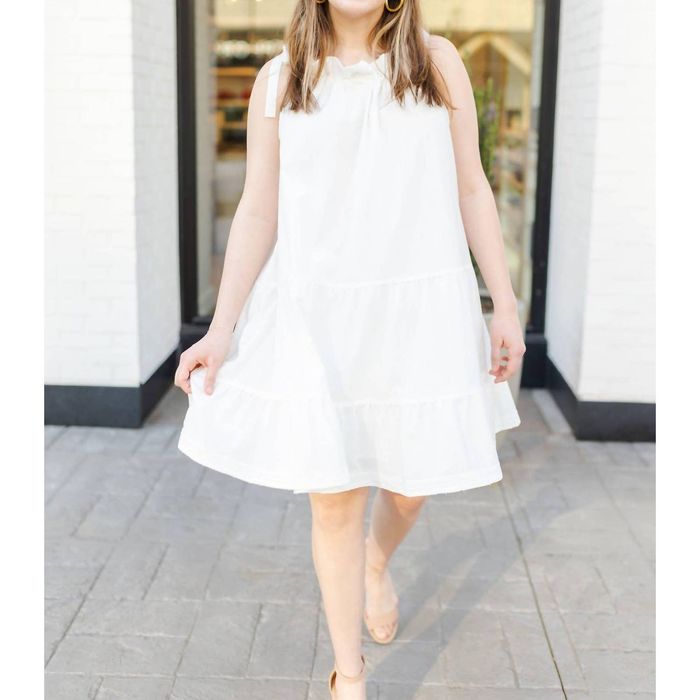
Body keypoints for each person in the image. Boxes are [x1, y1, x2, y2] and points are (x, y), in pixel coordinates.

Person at [174, 0, 525, 697]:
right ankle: (349, 676)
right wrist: (221, 328)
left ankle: (376, 560)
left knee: (412, 486)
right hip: (318, 315)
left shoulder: (438, 64)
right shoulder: (281, 78)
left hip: (418, 315)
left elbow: (472, 188)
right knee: (334, 499)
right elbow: (258, 209)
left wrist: (505, 305)